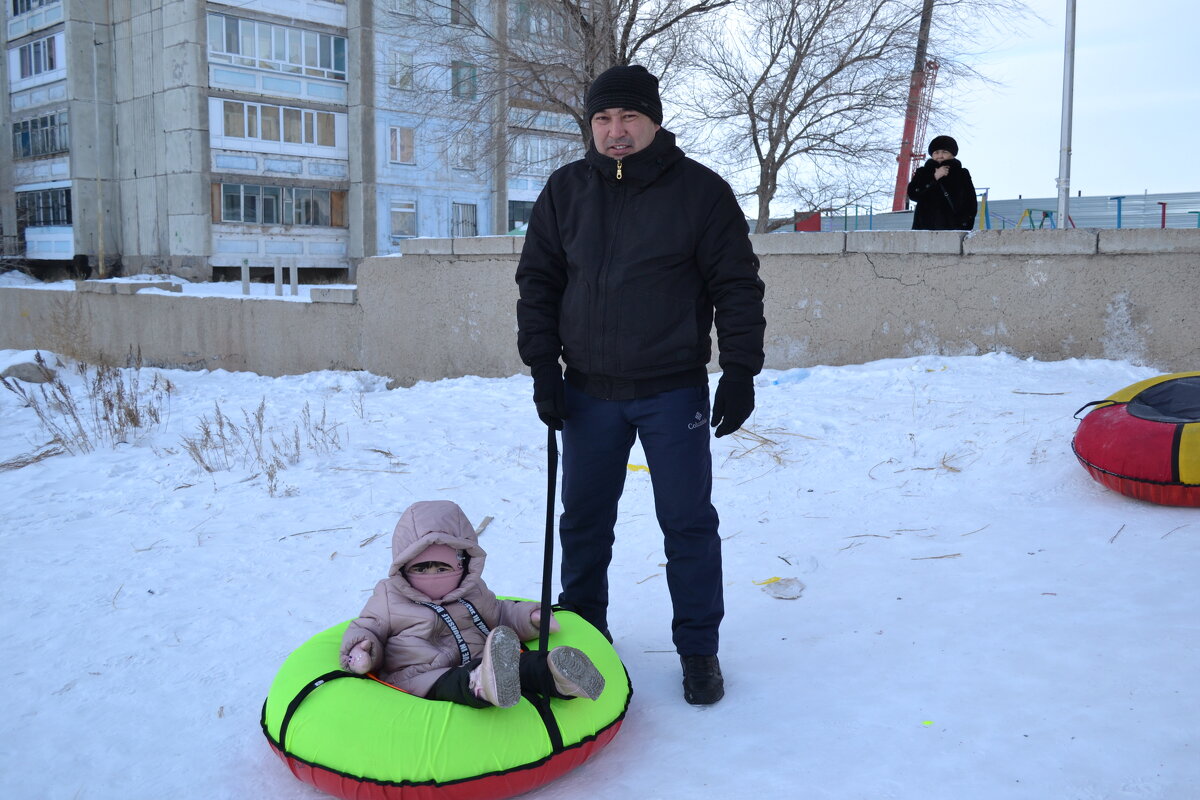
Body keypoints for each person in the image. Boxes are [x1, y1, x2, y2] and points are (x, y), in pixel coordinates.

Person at [514, 64, 766, 706]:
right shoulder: (565, 191)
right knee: (585, 522)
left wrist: (739, 370)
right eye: (603, 119)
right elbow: (538, 285)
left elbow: (736, 286)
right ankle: (584, 634)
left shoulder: (701, 192)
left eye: (628, 118)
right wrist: (544, 369)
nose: (615, 131)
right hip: (588, 390)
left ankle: (698, 650)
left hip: (671, 389)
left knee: (686, 522)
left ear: (654, 121)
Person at [340, 500, 605, 708]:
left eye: (442, 567)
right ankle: (482, 686)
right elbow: (368, 626)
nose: (433, 575)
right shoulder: (389, 595)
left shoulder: (473, 590)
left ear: (464, 563)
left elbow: (499, 612)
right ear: (403, 566)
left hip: (485, 661)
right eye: (421, 568)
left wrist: (530, 617)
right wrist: (363, 649)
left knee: (524, 666)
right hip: (421, 675)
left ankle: (558, 676)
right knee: (457, 682)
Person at [907, 135, 979, 231]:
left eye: (945, 152)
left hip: (954, 229)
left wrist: (964, 224)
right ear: (932, 155)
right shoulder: (923, 172)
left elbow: (971, 201)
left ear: (952, 154)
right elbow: (913, 194)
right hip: (924, 229)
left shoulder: (961, 173)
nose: (940, 155)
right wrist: (934, 177)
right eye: (936, 152)